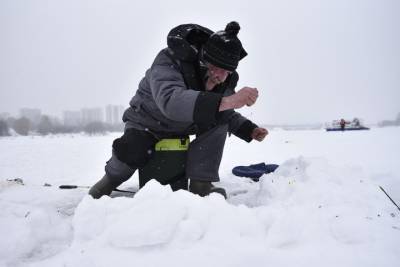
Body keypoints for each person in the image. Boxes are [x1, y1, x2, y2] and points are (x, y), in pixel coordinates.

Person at [89, 21, 268, 199]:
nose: (220, 76)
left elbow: (223, 111)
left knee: (217, 120)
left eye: (227, 71)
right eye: (217, 68)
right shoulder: (169, 61)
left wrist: (249, 129)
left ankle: (201, 184)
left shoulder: (224, 79)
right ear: (204, 58)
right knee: (133, 147)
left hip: (182, 127)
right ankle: (110, 180)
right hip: (146, 122)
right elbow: (171, 102)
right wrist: (229, 100)